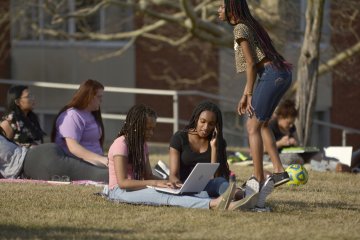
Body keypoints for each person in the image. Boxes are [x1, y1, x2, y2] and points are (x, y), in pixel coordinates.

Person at [105, 104, 256, 210]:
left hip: (137, 188)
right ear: (135, 126)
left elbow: (147, 175)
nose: (151, 133)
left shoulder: (142, 145)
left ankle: (234, 202)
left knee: (170, 191)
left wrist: (166, 183)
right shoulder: (121, 144)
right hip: (119, 192)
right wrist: (156, 184)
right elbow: (123, 183)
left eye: (152, 129)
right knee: (163, 196)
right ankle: (214, 204)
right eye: (147, 129)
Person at [219, 0, 292, 208]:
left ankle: (258, 178)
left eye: (222, 7)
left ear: (231, 10)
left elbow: (251, 63)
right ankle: (278, 172)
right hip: (280, 73)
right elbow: (254, 66)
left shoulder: (240, 28)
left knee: (252, 126)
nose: (218, 10)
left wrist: (248, 94)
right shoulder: (250, 24)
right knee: (263, 123)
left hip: (271, 74)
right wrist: (246, 93)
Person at [169, 101, 233, 198]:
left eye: (211, 124)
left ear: (216, 126)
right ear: (196, 119)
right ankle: (235, 196)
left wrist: (214, 148)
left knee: (221, 183)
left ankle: (244, 196)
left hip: (207, 187)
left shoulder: (218, 142)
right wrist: (178, 185)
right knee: (220, 188)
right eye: (202, 121)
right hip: (182, 187)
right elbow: (173, 175)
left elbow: (216, 177)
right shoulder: (179, 138)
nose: (206, 127)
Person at [0, 126, 108, 181]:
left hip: (40, 164)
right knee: (92, 169)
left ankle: (123, 175)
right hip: (41, 154)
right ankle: (121, 169)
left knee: (97, 176)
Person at [51, 79, 108, 168]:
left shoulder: (92, 113)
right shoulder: (72, 116)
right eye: (99, 97)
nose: (101, 100)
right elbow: (73, 148)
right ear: (88, 97)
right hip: (77, 162)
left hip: (96, 160)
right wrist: (102, 159)